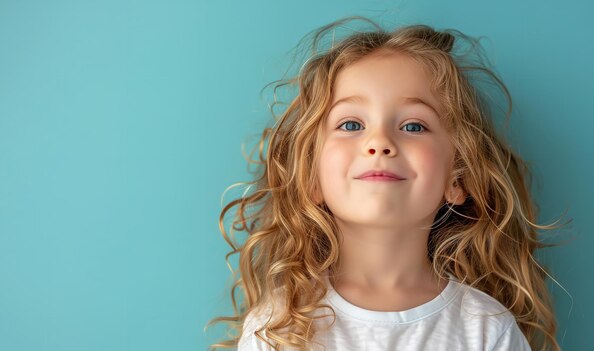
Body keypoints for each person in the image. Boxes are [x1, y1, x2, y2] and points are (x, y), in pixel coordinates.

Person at [206, 16, 567, 351]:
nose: (379, 142)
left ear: (457, 178)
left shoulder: (487, 330)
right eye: (351, 125)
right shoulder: (277, 329)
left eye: (413, 126)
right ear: (312, 178)